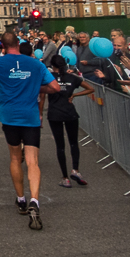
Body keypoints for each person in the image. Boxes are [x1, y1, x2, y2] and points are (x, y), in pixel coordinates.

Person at [0, 30, 60, 230]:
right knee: (32, 161)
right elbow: (55, 88)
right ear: (18, 44)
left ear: (1, 45)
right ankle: (35, 200)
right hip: (30, 117)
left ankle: (21, 199)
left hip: (9, 117)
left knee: (14, 158)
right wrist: (36, 87)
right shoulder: (36, 63)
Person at [44, 54, 93, 188]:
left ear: (52, 65)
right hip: (70, 113)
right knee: (73, 143)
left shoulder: (49, 78)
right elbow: (90, 88)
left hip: (54, 114)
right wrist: (75, 94)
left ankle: (65, 177)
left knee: (60, 146)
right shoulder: (72, 78)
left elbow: (41, 92)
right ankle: (75, 170)